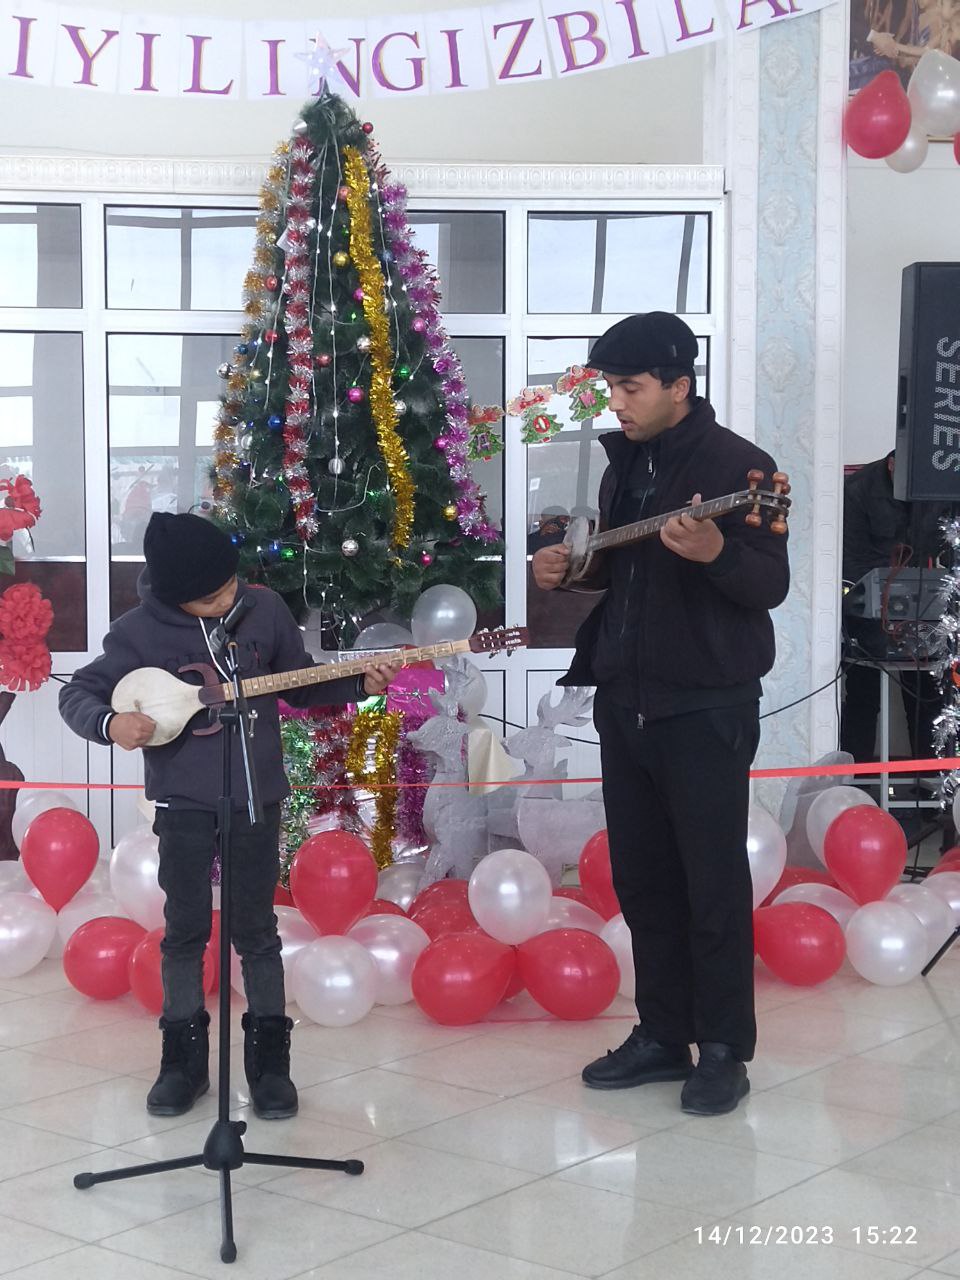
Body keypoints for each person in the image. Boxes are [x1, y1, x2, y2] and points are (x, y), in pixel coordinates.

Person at [532, 312, 789, 1116]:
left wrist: (718, 554)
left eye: (630, 386)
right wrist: (569, 571)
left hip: (705, 705)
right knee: (643, 880)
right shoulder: (626, 467)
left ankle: (724, 1050)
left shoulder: (743, 468)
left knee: (711, 882)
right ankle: (663, 1035)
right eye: (610, 386)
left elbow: (769, 584)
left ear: (680, 385)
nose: (616, 401)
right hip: (626, 700)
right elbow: (620, 575)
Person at [60, 513, 400, 1120]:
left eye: (229, 586)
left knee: (257, 932)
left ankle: (270, 1067)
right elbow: (76, 693)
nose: (225, 601)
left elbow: (300, 684)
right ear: (173, 596)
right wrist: (110, 723)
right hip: (182, 805)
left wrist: (359, 685)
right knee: (185, 932)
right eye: (209, 598)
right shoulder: (137, 632)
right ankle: (182, 1064)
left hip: (255, 799)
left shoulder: (263, 609)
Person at [840, 451, 943, 765]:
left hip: (923, 607)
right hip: (867, 609)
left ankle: (930, 781)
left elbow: (944, 545)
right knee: (863, 693)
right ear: (891, 465)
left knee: (928, 694)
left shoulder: (937, 487)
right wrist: (891, 595)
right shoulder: (857, 490)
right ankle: (854, 781)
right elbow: (849, 559)